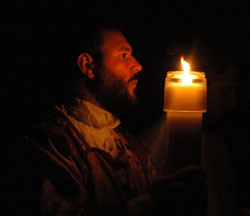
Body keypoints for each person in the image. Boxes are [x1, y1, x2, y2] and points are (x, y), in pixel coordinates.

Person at [6, 25, 207, 216]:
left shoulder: (131, 146)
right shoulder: (49, 143)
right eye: (123, 55)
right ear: (88, 65)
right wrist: (150, 204)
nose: (137, 65)